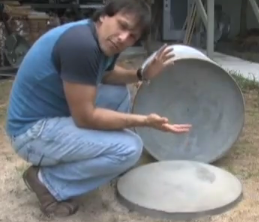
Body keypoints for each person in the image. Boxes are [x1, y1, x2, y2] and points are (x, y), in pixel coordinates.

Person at [6, 0, 192, 217]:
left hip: (53, 114)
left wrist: (141, 74)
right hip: (30, 134)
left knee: (118, 93)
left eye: (132, 36)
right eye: (122, 26)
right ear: (104, 16)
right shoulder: (81, 45)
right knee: (131, 148)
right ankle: (47, 182)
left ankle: (106, 154)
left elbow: (105, 75)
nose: (124, 38)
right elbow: (86, 118)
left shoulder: (100, 38)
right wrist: (143, 121)